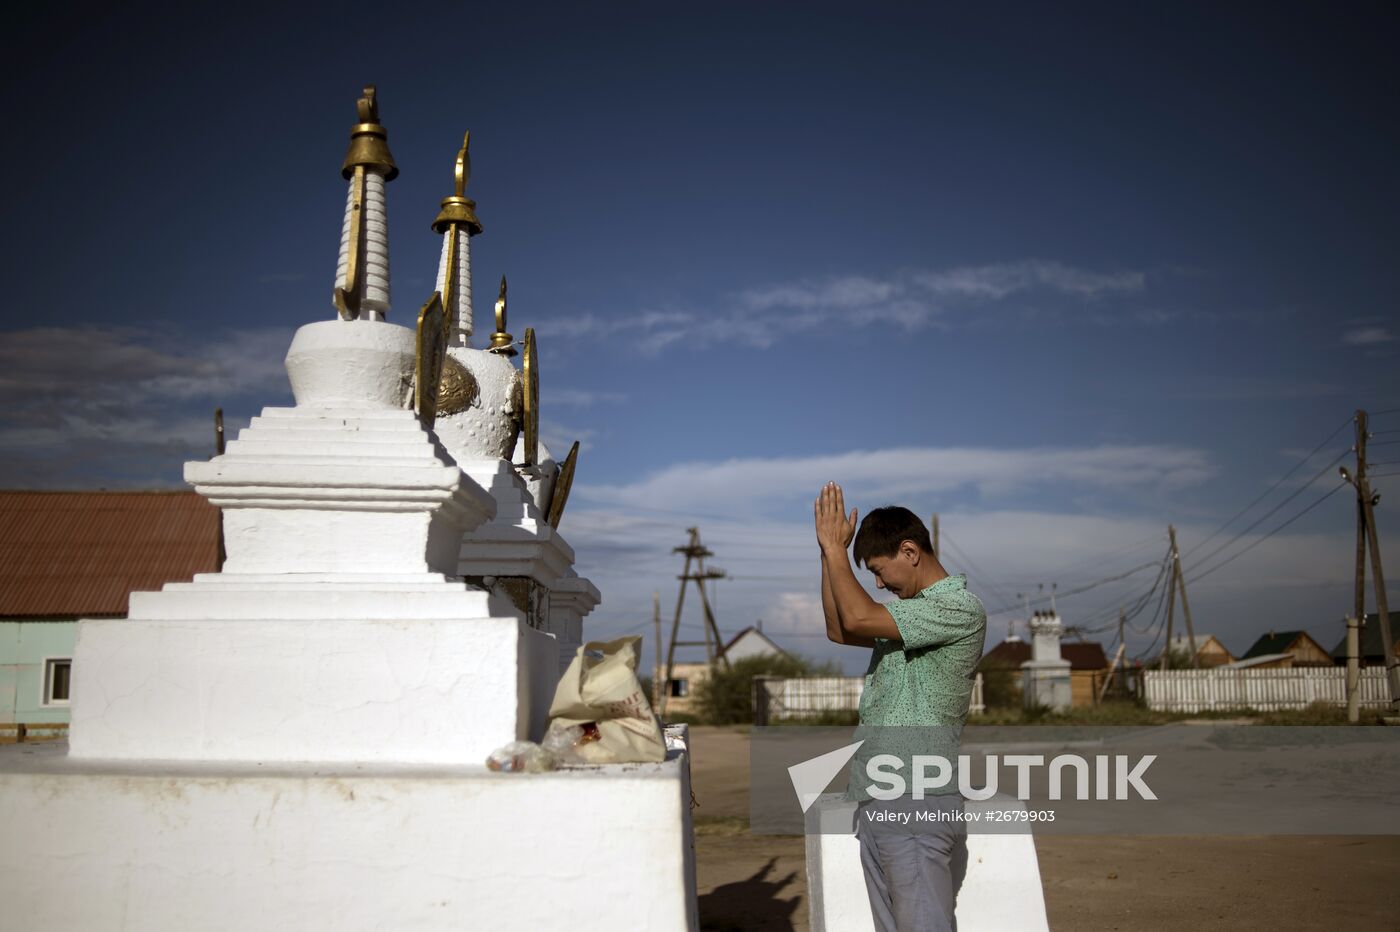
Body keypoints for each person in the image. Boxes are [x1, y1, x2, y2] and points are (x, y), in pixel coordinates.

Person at [813, 482, 987, 932]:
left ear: (909, 551)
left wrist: (837, 551)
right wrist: (827, 553)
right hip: (883, 797)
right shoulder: (907, 617)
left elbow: (856, 616)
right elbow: (839, 628)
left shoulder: (957, 608)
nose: (877, 583)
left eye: (878, 570)